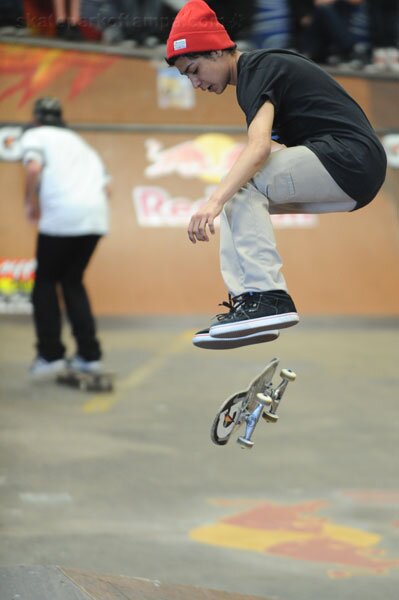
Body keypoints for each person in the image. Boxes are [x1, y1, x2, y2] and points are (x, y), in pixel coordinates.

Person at [165, 0, 386, 349]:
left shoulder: (258, 67)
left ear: (218, 52)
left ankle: (266, 295)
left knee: (239, 187)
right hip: (353, 172)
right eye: (186, 76)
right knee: (240, 198)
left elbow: (259, 149)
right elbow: (278, 155)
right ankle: (249, 303)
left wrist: (212, 200)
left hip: (350, 158)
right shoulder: (259, 77)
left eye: (194, 70)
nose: (195, 83)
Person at [21, 97, 110, 378]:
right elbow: (108, 188)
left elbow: (33, 168)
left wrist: (28, 201)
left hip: (61, 216)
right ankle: (89, 355)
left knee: (45, 283)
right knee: (72, 281)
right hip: (95, 218)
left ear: (36, 118)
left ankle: (50, 356)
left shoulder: (35, 135)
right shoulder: (80, 144)